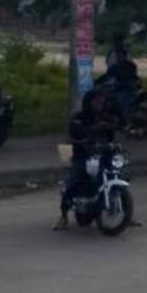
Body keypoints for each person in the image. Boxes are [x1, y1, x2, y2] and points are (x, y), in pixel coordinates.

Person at [54, 84, 124, 230]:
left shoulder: (106, 117)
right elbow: (72, 136)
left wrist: (114, 123)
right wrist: (86, 138)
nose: (99, 104)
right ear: (89, 102)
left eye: (102, 101)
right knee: (72, 181)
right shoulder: (79, 118)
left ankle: (125, 213)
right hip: (83, 155)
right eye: (96, 101)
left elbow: (120, 125)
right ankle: (63, 216)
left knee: (120, 173)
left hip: (104, 155)